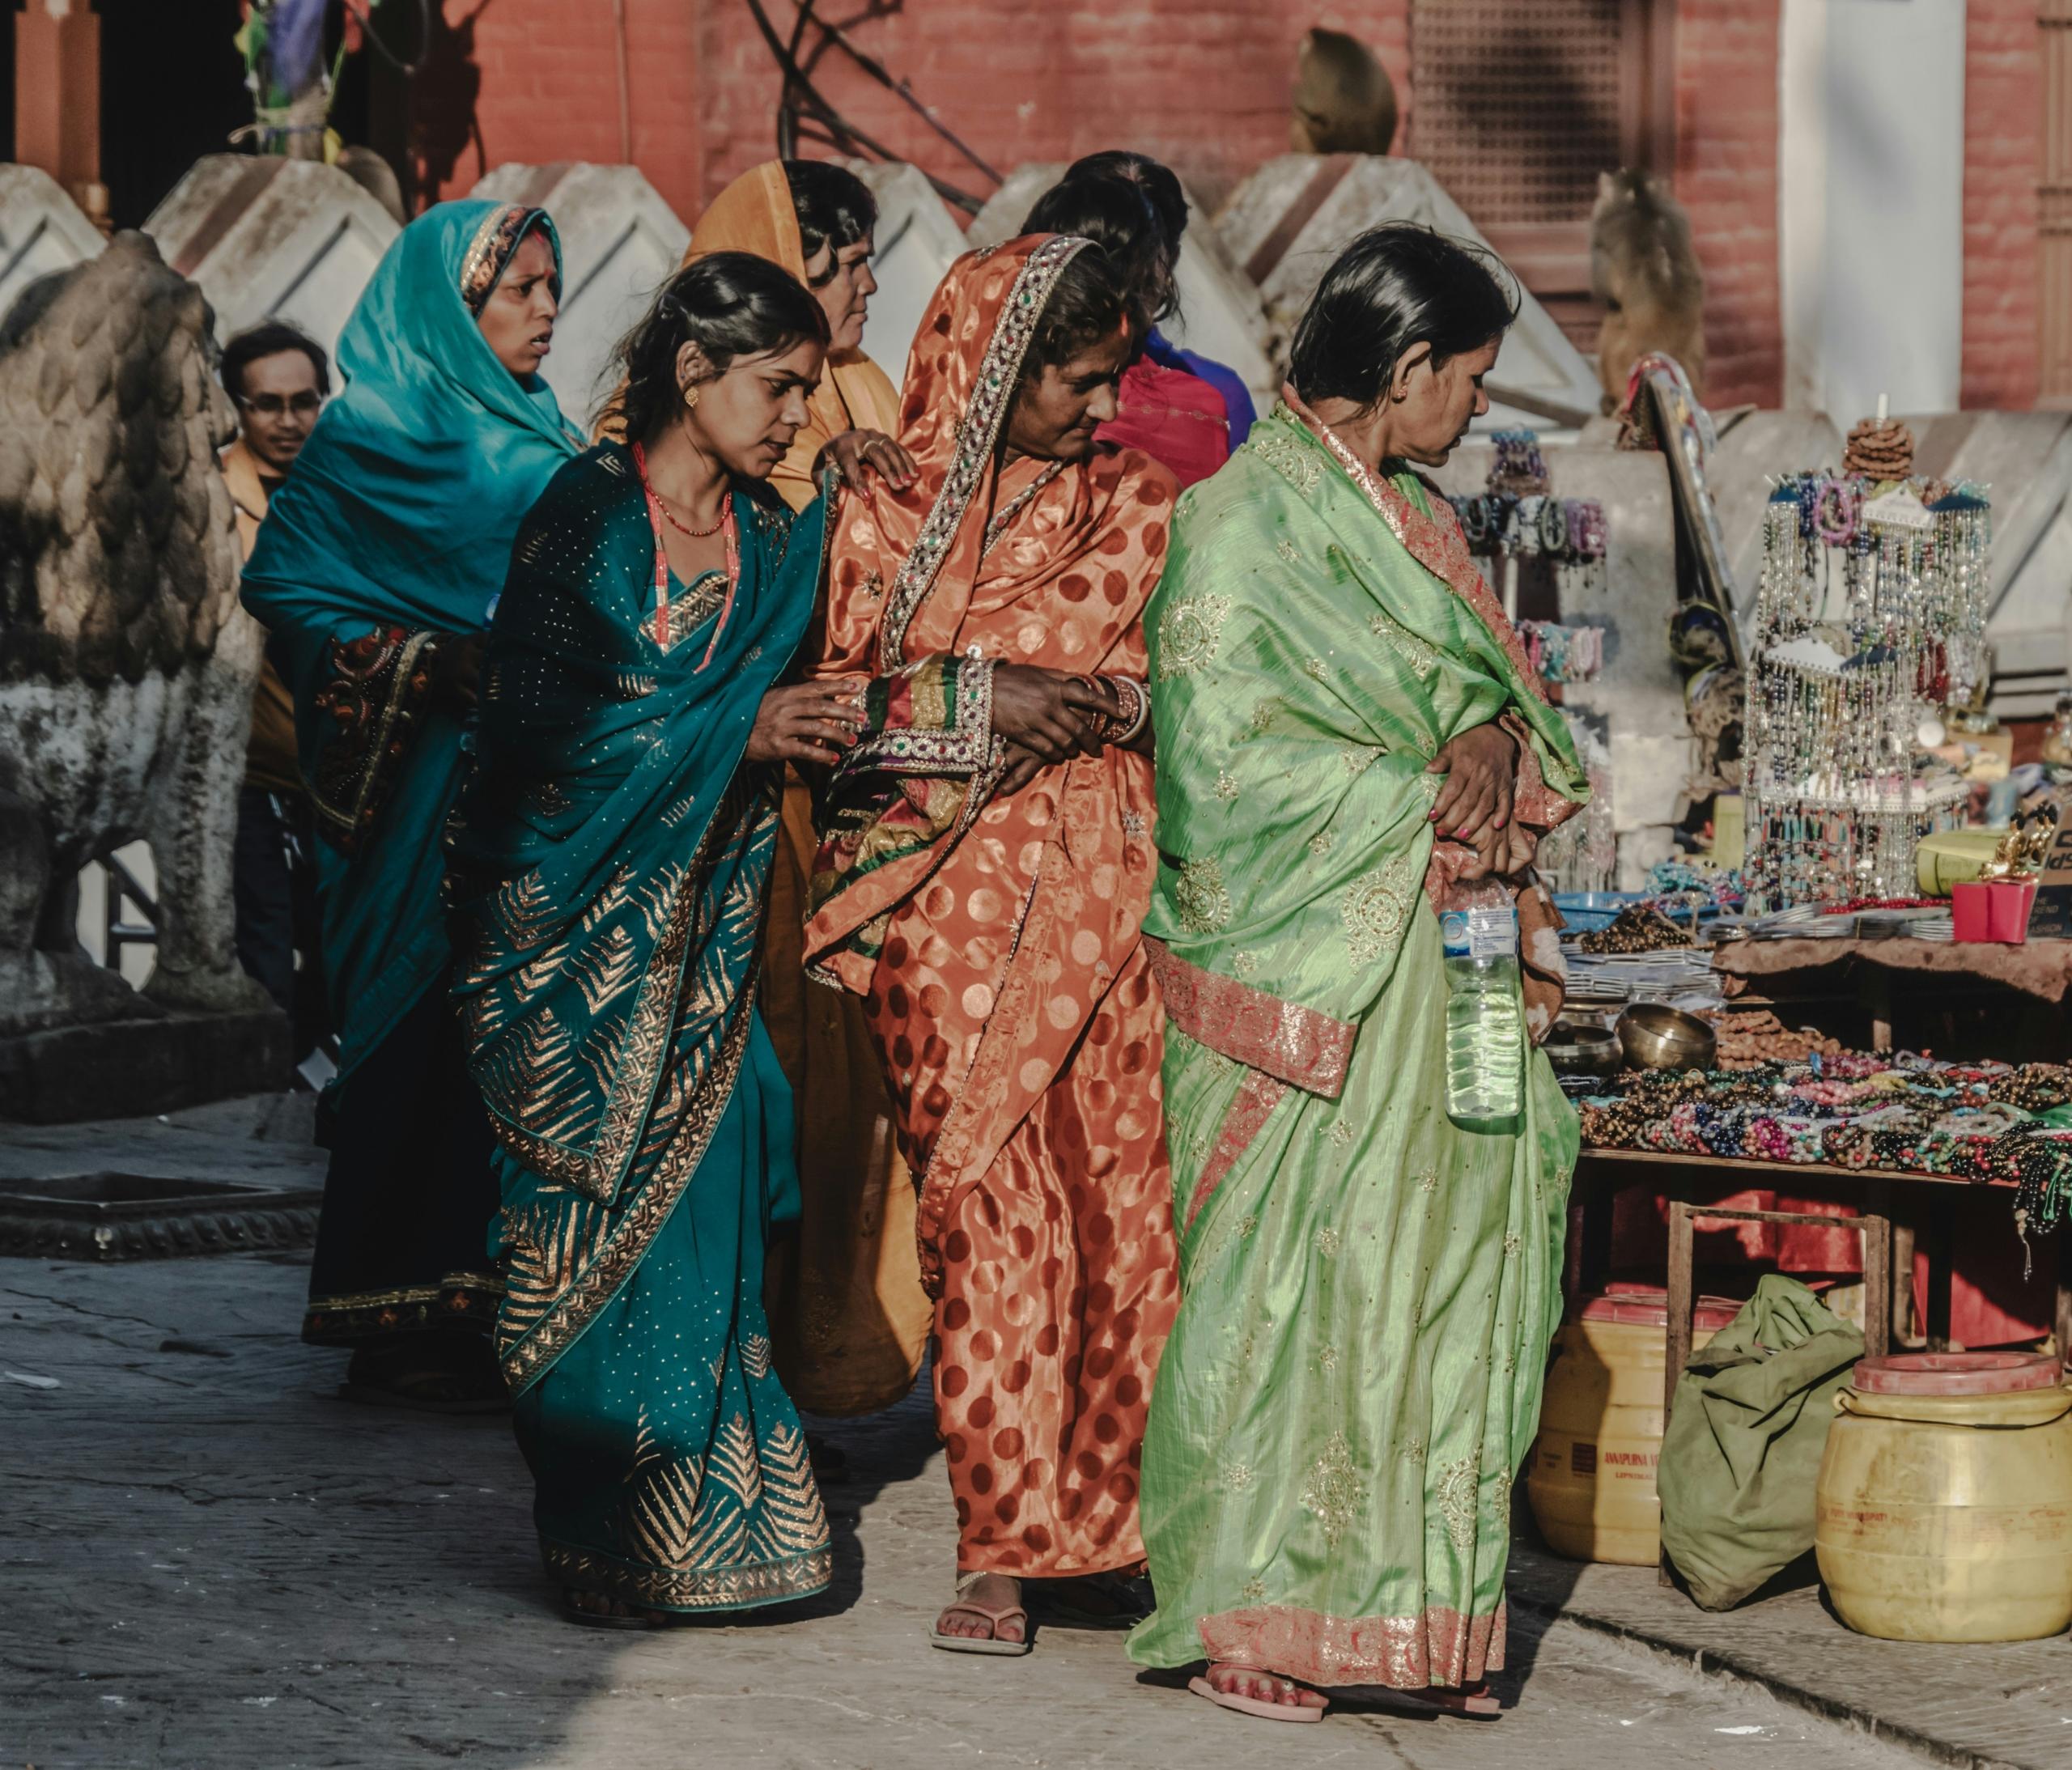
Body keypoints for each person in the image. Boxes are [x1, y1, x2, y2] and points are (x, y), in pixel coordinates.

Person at [1125, 224, 1590, 1722]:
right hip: (1314, 971)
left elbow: (1506, 704)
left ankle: (1429, 1621)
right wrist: (1418, 796)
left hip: (1450, 966)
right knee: (1290, 1290)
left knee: (1452, 1268)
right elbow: (1220, 771)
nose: (1474, 408)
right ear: (1403, 371)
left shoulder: (1423, 524)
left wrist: (1494, 744)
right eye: (1465, 379)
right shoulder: (1241, 526)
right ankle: (1249, 1622)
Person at [445, 252, 860, 1624]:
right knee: (579, 1229)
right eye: (779, 385)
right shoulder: (583, 520)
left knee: (728, 1173)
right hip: (565, 944)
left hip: (702, 946)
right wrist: (731, 730)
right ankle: (604, 1522)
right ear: (694, 371)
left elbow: (825, 657)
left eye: (807, 388)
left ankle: (724, 1512)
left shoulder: (772, 536)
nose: (800, 413)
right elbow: (533, 739)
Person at [801, 235, 1181, 1653]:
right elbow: (837, 708)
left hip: (1106, 888)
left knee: (1125, 1208)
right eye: (1078, 383)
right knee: (991, 1212)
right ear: (994, 367)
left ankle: (1112, 1525)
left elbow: (1186, 688)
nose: (1102, 409)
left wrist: (1108, 709)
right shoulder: (885, 508)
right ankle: (1005, 1546)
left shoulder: (1144, 503)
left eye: (1114, 379)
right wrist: (982, 697)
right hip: (944, 911)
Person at [241, 202, 583, 1408]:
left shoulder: (553, 437)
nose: (547, 311)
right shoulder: (365, 438)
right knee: (407, 1029)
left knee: (516, 1044)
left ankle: (504, 1303)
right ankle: (391, 1305)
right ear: (453, 303)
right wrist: (418, 663)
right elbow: (283, 580)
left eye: (554, 287)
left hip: (529, 799)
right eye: (521, 291)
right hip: (405, 804)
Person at [644, 158, 929, 1432]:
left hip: (802, 835)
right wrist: (744, 723)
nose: (868, 285)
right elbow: (571, 707)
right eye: (841, 260)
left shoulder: (835, 433)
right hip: (660, 880)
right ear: (698, 372)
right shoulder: (611, 504)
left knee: (788, 1125)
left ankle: (773, 1390)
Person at [219, 320, 331, 1068]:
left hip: (344, 773)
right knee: (262, 944)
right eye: (267, 404)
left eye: (304, 402)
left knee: (337, 949)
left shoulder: (348, 492)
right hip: (245, 770)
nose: (287, 421)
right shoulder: (207, 501)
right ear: (237, 406)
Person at [1023, 151, 1256, 486]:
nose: (1115, 276)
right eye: (1102, 248)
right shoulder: (999, 380)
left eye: (1136, 253)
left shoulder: (1211, 399)